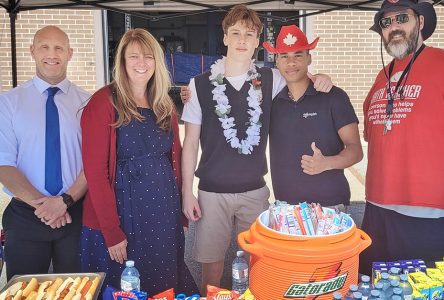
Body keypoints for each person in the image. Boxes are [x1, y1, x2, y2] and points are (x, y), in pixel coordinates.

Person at [180, 5, 333, 294]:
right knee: (211, 268)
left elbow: (299, 75)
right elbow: (189, 144)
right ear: (224, 37)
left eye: (249, 34)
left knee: (259, 264)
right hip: (212, 192)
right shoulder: (198, 85)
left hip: (255, 191)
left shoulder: (270, 78)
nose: (241, 40)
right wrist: (187, 192)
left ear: (257, 41)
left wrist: (321, 75)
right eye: (235, 33)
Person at [80, 28, 197, 294]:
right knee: (125, 286)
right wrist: (111, 231)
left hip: (163, 213)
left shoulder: (164, 103)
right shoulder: (103, 102)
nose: (141, 63)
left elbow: (174, 160)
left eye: (148, 56)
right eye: (133, 56)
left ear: (157, 61)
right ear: (121, 61)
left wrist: (180, 210)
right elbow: (95, 172)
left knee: (165, 281)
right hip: (123, 214)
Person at [359, 0, 444, 275]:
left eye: (402, 18)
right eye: (386, 22)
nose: (393, 27)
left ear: (420, 22)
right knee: (377, 287)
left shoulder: (441, 63)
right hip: (375, 211)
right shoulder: (380, 77)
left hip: (427, 214)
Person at [0, 25, 89, 279]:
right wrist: (45, 207)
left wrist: (63, 203)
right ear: (32, 51)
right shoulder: (8, 103)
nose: (52, 54)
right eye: (44, 47)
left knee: (79, 291)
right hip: (26, 216)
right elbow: (4, 165)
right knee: (25, 293)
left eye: (59, 48)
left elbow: (93, 164)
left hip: (75, 215)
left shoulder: (87, 103)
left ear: (70, 53)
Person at [266, 25, 363, 208]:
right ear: (276, 61)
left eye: (298, 55)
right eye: (284, 56)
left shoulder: (334, 97)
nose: (291, 62)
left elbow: (356, 150)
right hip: (286, 208)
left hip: (329, 207)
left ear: (309, 58)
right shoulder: (273, 103)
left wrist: (326, 163)